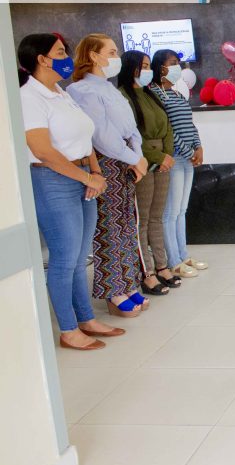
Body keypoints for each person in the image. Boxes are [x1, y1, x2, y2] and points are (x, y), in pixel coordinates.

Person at [19, 33, 124, 350]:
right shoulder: (29, 98)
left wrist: (94, 171)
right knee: (64, 259)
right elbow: (42, 150)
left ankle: (86, 319)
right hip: (52, 180)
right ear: (41, 59)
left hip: (81, 177)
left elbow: (85, 136)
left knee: (80, 258)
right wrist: (84, 176)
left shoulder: (61, 94)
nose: (66, 58)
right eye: (61, 52)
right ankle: (68, 330)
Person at [67, 33, 149, 317]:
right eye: (111, 52)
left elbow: (131, 129)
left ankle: (129, 281)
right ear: (93, 55)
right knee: (108, 229)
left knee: (127, 224)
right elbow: (101, 136)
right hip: (106, 163)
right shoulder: (82, 90)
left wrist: (137, 156)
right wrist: (133, 158)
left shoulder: (109, 89)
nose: (116, 58)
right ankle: (114, 290)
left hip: (126, 161)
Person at [118, 51, 180, 295]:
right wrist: (156, 157)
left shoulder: (151, 94)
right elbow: (133, 136)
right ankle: (148, 272)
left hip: (162, 161)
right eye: (143, 66)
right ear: (131, 68)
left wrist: (167, 155)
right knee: (141, 220)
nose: (147, 70)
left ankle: (163, 266)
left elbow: (167, 128)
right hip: (142, 162)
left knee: (157, 216)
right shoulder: (124, 97)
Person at [148, 49, 209, 279]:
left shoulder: (176, 94)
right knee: (169, 212)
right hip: (173, 159)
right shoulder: (155, 95)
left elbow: (189, 124)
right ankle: (172, 261)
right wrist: (188, 151)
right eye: (173, 63)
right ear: (160, 67)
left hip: (187, 159)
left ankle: (183, 255)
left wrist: (199, 147)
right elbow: (169, 131)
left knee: (181, 210)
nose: (177, 67)